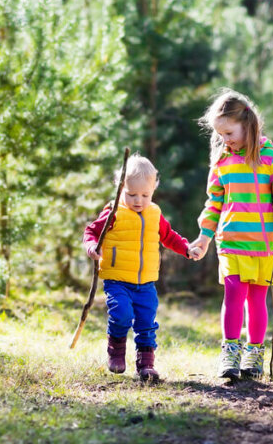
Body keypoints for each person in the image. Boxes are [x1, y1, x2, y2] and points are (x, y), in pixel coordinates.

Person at [189, 88, 273, 379]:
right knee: (234, 293)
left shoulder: (271, 157)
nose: (225, 139)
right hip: (232, 241)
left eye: (229, 132)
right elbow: (214, 203)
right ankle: (230, 352)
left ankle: (255, 352)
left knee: (256, 299)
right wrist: (204, 236)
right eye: (220, 135)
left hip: (264, 244)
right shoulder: (222, 162)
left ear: (247, 123)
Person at [83, 154, 195, 381]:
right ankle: (116, 351)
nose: (138, 200)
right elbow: (91, 231)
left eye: (145, 195)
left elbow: (168, 236)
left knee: (146, 322)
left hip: (146, 282)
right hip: (117, 278)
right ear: (120, 188)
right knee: (121, 314)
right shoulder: (113, 212)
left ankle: (146, 365)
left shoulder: (154, 213)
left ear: (153, 190)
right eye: (132, 194)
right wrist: (92, 246)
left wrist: (186, 248)